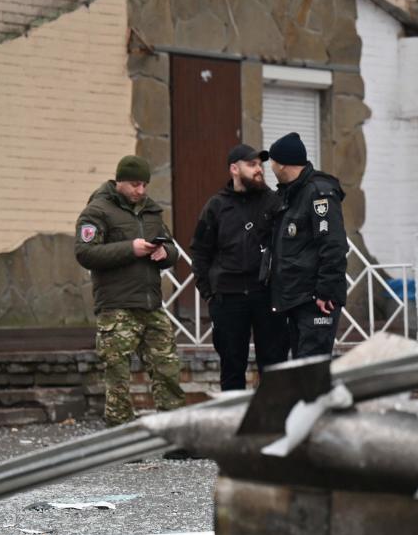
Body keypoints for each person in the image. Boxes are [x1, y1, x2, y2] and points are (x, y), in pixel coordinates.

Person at [74, 155, 187, 427]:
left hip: (151, 305)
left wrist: (165, 252)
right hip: (116, 307)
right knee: (118, 378)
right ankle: (121, 436)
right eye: (135, 184)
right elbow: (85, 252)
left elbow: (173, 249)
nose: (141, 190)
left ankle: (177, 435)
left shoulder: (151, 211)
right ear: (120, 181)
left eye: (144, 185)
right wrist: (130, 249)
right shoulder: (96, 211)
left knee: (168, 370)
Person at [190, 144, 289, 390]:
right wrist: (210, 294)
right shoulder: (216, 206)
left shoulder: (274, 203)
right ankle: (233, 423)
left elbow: (288, 247)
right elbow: (200, 251)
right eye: (252, 164)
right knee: (232, 367)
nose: (258, 169)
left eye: (260, 165)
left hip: (267, 296)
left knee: (274, 366)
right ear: (234, 169)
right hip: (228, 298)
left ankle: (273, 423)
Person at [265, 132, 348, 358]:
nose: (270, 166)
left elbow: (333, 245)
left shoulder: (318, 194)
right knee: (301, 368)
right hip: (295, 299)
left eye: (271, 161)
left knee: (312, 368)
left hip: (316, 301)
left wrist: (326, 292)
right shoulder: (290, 194)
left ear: (281, 164)